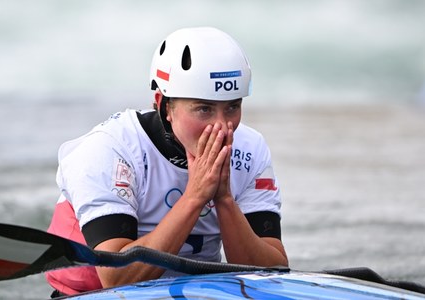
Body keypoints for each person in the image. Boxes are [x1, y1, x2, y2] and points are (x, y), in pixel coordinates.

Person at [45, 27, 288, 296]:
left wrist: (224, 199)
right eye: (204, 109)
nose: (222, 127)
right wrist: (195, 196)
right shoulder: (108, 150)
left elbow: (273, 274)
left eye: (232, 106)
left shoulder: (250, 149)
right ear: (164, 104)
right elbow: (116, 279)